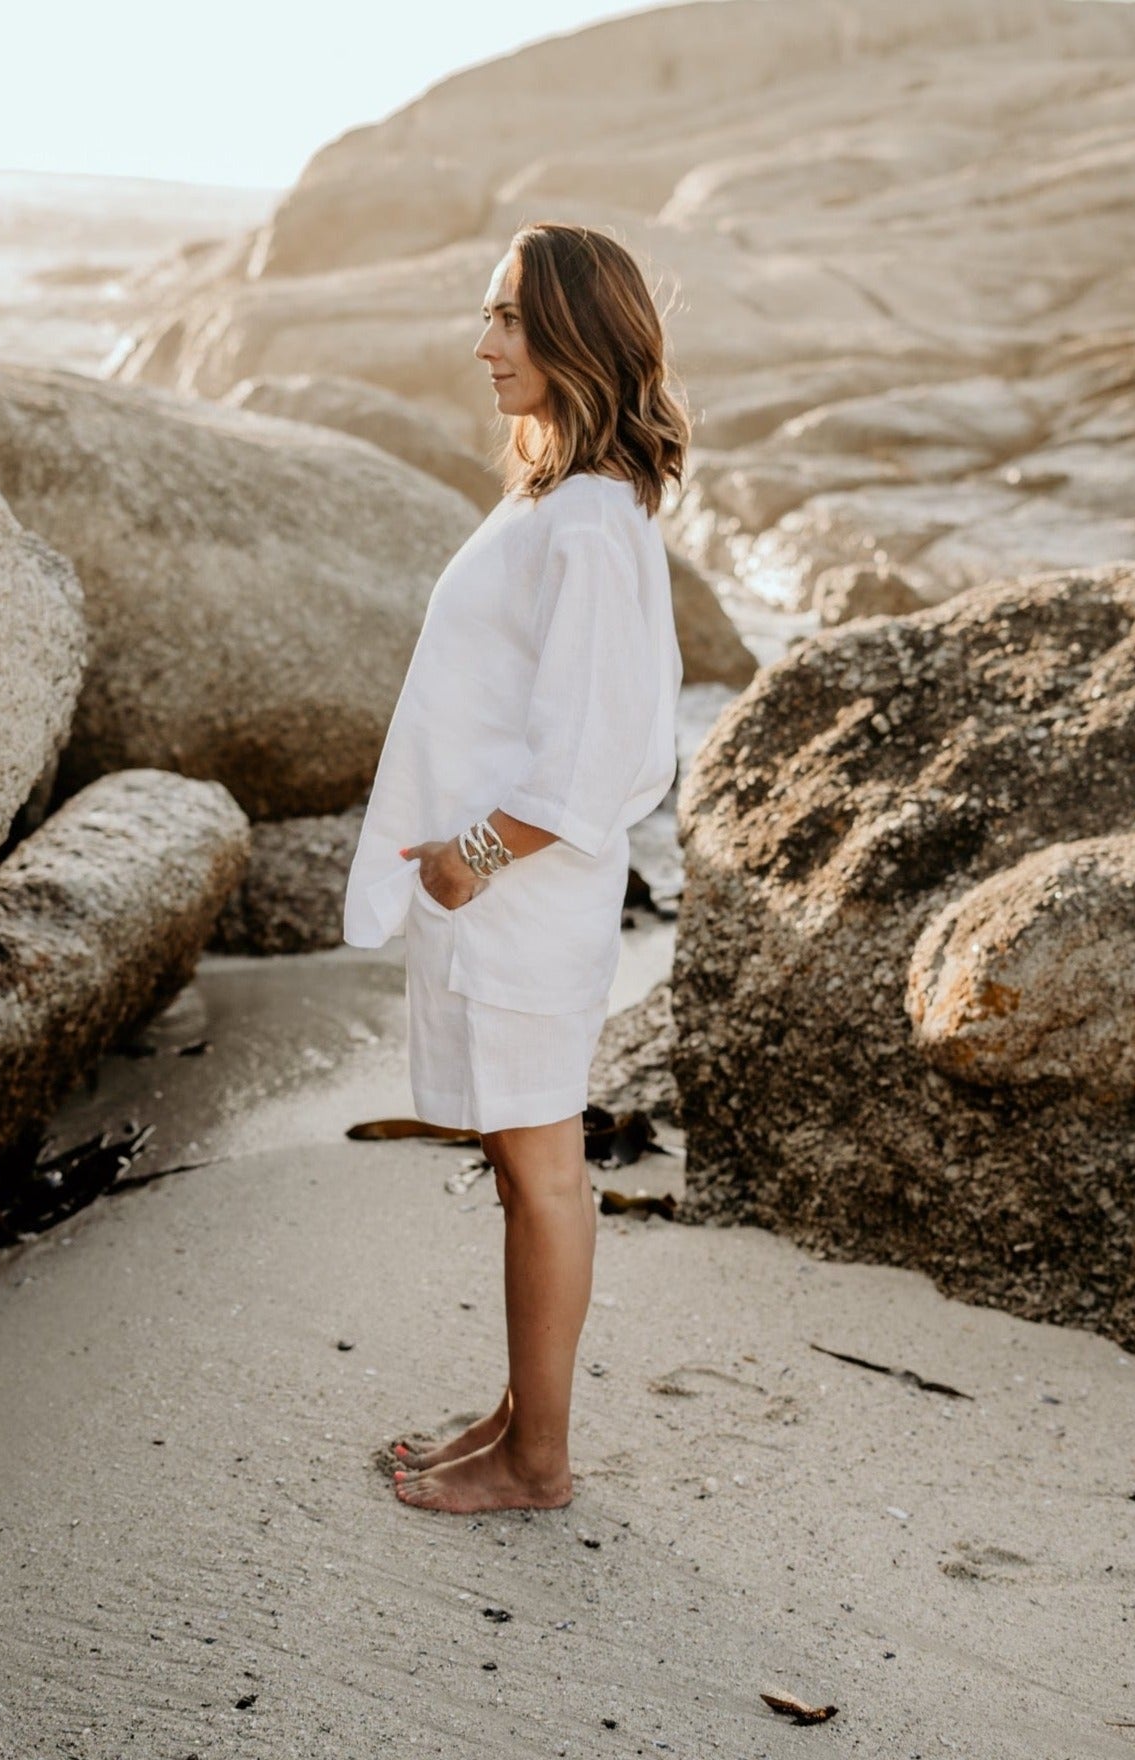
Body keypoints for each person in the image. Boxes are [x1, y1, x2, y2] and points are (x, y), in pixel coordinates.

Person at [342, 221, 689, 1513]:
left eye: (509, 320)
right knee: (519, 1163)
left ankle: (539, 1462)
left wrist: (467, 860)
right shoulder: (555, 498)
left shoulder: (593, 521)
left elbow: (604, 755)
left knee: (542, 1174)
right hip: (497, 895)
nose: (483, 343)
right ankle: (514, 1416)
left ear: (573, 339)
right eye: (488, 317)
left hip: (520, 897)